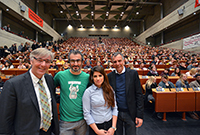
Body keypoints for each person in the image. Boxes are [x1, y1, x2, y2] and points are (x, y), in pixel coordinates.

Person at [0, 48, 59, 135]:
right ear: (31, 61)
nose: (43, 64)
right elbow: (5, 119)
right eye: (40, 60)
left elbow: (52, 99)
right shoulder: (13, 84)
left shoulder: (49, 79)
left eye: (47, 61)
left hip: (48, 131)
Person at [54, 50, 89, 135]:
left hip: (82, 121)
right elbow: (50, 89)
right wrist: (58, 99)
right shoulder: (60, 75)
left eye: (78, 61)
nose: (76, 64)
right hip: (65, 122)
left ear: (82, 62)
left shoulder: (87, 77)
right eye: (73, 61)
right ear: (69, 62)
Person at [107, 52, 144, 135]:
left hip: (130, 113)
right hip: (116, 114)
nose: (117, 64)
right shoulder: (109, 76)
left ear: (124, 61)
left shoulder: (133, 74)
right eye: (115, 62)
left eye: (119, 61)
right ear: (112, 63)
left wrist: (140, 115)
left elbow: (139, 95)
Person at [82, 66, 118, 135]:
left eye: (100, 75)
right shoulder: (88, 92)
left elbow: (114, 108)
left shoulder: (109, 89)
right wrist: (97, 131)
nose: (98, 78)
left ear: (104, 76)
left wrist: (113, 127)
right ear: (92, 78)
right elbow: (87, 113)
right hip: (96, 127)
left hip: (110, 125)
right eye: (95, 76)